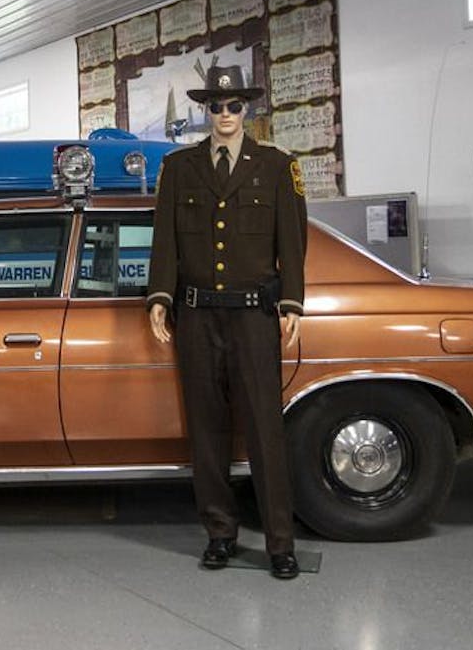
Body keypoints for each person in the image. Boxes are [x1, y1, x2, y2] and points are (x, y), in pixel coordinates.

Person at [146, 64, 308, 581]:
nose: (224, 115)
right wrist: (160, 297)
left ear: (248, 109)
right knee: (207, 431)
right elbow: (166, 241)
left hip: (254, 319)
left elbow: (293, 244)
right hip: (196, 317)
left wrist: (291, 304)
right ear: (205, 111)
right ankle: (220, 534)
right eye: (215, 107)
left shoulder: (278, 167)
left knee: (265, 430)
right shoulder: (179, 167)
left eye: (234, 106)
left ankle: (280, 543)